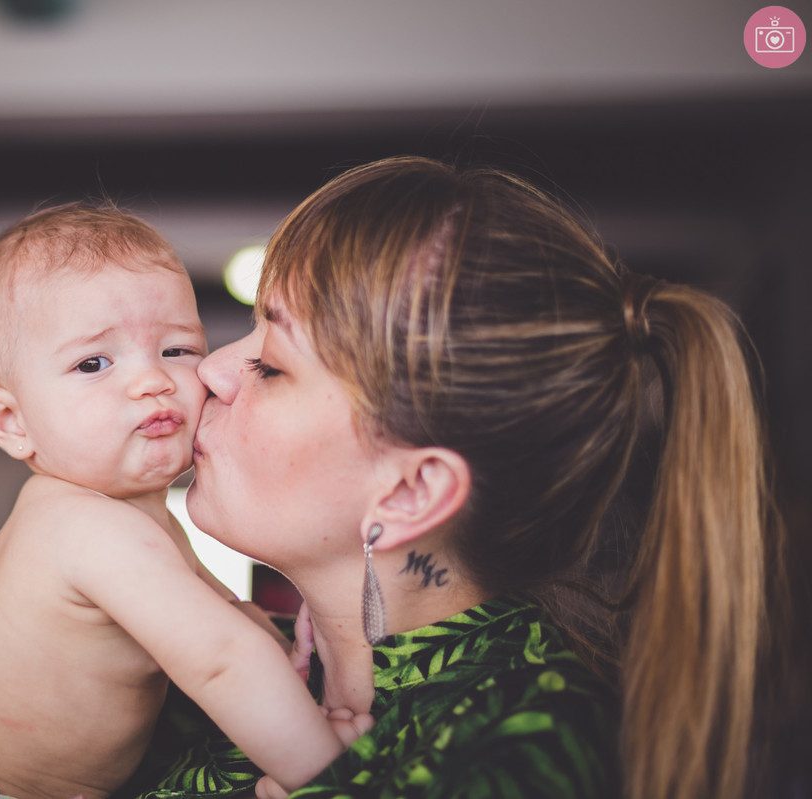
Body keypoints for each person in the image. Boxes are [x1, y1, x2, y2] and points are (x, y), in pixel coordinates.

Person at [120, 156, 782, 799]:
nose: (212, 370)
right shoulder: (193, 672)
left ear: (412, 492)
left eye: (271, 365)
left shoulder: (527, 747)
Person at [0, 204, 366, 799]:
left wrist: (294, 676)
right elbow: (220, 659)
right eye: (94, 363)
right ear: (11, 421)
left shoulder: (134, 522)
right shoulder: (80, 527)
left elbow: (229, 620)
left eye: (176, 351)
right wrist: (326, 774)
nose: (150, 381)